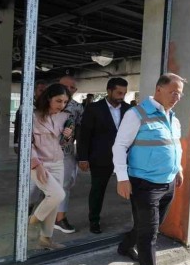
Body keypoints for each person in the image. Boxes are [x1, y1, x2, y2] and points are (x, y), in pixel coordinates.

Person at [113, 73, 186, 265]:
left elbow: (175, 145)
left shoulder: (173, 118)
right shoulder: (137, 114)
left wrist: (178, 169)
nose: (177, 97)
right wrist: (122, 178)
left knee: (149, 226)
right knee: (149, 236)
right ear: (159, 89)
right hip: (144, 185)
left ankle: (125, 245)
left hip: (168, 183)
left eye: (180, 93)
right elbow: (119, 146)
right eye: (173, 92)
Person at [78, 78, 131, 235]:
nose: (122, 96)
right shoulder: (93, 109)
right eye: (119, 93)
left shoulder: (129, 110)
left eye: (124, 93)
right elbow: (84, 135)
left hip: (126, 158)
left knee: (134, 188)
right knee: (98, 190)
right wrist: (83, 157)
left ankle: (137, 220)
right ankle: (94, 221)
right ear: (109, 91)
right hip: (101, 157)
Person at [28, 84, 74, 250]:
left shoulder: (65, 117)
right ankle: (32, 221)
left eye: (65, 102)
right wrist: (36, 164)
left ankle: (45, 239)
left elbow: (63, 143)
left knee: (54, 201)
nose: (62, 105)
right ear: (49, 98)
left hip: (58, 162)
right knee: (58, 194)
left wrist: (68, 137)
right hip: (39, 163)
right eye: (58, 101)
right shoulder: (33, 116)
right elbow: (27, 143)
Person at [54, 75, 83, 233]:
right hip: (43, 152)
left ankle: (60, 218)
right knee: (37, 185)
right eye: (66, 86)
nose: (69, 90)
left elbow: (81, 131)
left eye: (72, 87)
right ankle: (31, 211)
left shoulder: (78, 108)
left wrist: (82, 154)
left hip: (66, 152)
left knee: (65, 184)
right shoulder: (44, 103)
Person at [14, 80, 48, 212]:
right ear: (34, 91)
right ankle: (27, 207)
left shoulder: (50, 106)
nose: (43, 93)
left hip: (47, 149)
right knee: (32, 180)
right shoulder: (26, 106)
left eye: (45, 90)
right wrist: (17, 143)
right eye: (40, 90)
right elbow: (18, 125)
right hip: (30, 148)